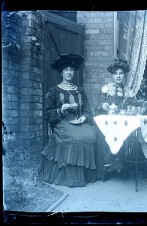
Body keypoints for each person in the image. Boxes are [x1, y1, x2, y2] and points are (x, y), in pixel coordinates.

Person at [37, 53, 101, 187]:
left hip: (79, 121)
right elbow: (47, 114)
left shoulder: (80, 91)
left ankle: (87, 176)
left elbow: (87, 110)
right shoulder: (54, 91)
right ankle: (71, 178)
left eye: (71, 70)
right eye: (66, 70)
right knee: (75, 138)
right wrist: (61, 110)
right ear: (61, 72)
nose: (69, 72)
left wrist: (84, 117)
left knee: (91, 135)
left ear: (74, 71)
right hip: (62, 122)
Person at [94, 58, 130, 178]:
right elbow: (97, 106)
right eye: (116, 74)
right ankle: (107, 168)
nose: (118, 76)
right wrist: (102, 105)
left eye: (121, 73)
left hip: (122, 122)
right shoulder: (106, 89)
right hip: (108, 122)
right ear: (112, 75)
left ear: (124, 75)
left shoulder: (128, 90)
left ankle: (121, 166)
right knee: (107, 139)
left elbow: (132, 105)